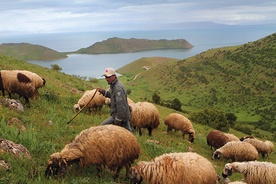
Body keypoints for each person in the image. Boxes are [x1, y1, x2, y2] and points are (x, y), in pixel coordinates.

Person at [97, 67, 132, 132]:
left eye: (109, 77)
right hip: (119, 116)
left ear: (114, 76)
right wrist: (103, 92)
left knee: (101, 129)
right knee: (127, 133)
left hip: (120, 117)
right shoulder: (114, 85)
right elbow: (113, 96)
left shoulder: (118, 88)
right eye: (105, 77)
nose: (107, 79)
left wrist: (118, 120)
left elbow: (121, 106)